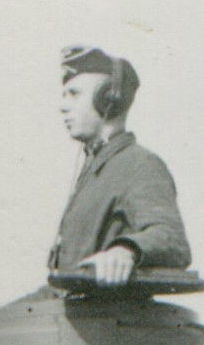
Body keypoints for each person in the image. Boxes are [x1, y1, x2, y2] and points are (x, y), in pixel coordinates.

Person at [50, 46, 190, 287]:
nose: (63, 106)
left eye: (74, 94)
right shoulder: (95, 170)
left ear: (108, 100)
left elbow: (171, 238)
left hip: (109, 309)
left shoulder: (139, 165)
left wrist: (125, 250)